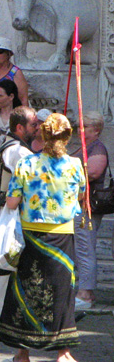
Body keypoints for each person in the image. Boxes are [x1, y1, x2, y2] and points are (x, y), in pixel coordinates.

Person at [0, 113, 89, 362]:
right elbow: (81, 196)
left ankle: (21, 354)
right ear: (67, 136)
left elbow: (12, 202)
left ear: (42, 135)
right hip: (62, 236)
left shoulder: (27, 163)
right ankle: (63, 354)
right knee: (62, 294)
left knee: (26, 291)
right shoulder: (74, 165)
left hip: (31, 236)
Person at [0, 106, 38, 332]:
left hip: (7, 214)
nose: (37, 129)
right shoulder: (19, 152)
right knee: (3, 266)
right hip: (11, 216)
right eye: (33, 125)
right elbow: (33, 183)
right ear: (19, 128)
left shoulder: (11, 147)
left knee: (2, 267)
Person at [71, 111, 109, 310]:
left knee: (85, 248)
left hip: (87, 206)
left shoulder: (97, 148)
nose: (80, 130)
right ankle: (83, 290)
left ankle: (86, 294)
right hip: (77, 205)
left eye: (85, 127)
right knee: (80, 248)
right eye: (79, 126)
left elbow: (93, 172)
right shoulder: (84, 147)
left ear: (97, 129)